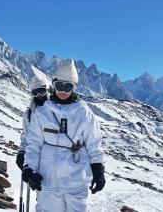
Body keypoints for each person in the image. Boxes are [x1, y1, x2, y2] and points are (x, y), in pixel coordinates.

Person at [22, 59, 105, 212]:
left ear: (74, 88)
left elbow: (94, 144)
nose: (63, 91)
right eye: (60, 86)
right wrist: (29, 169)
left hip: (76, 179)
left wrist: (98, 171)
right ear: (53, 84)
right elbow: (34, 145)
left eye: (68, 87)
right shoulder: (42, 113)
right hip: (47, 178)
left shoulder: (84, 113)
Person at [16, 74, 50, 170]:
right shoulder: (29, 114)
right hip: (35, 160)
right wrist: (22, 152)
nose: (39, 95)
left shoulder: (57, 111)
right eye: (35, 92)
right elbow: (26, 137)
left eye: (41, 91)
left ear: (47, 91)